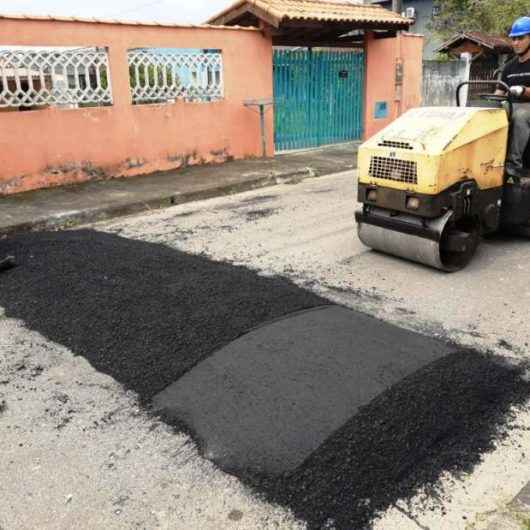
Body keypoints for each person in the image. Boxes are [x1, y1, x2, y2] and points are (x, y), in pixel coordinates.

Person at [495, 16, 530, 181]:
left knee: (520, 116)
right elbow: (499, 93)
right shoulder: (509, 66)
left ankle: (513, 166)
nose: (516, 43)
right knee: (490, 115)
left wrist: (523, 90)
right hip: (511, 105)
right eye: (514, 38)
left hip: (527, 107)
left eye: (520, 38)